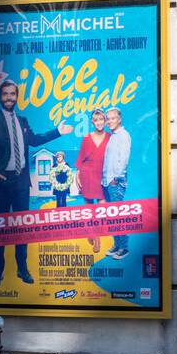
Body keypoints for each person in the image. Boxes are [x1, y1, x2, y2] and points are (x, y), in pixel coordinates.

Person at [0, 80, 72, 286]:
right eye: (5, 94)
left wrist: (58, 132)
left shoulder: (23, 121)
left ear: (17, 97)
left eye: (13, 94)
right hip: (1, 183)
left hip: (20, 183)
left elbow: (34, 140)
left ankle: (22, 269)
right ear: (0, 97)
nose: (9, 97)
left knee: (22, 229)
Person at [75, 108, 110, 253]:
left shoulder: (110, 137)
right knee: (88, 208)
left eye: (101, 119)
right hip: (87, 174)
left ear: (105, 121)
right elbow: (80, 158)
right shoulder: (86, 138)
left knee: (102, 209)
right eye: (96, 120)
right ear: (92, 122)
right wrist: (77, 174)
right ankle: (95, 237)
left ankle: (94, 234)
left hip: (102, 176)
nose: (99, 122)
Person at [101, 107, 132, 259]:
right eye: (108, 119)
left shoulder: (123, 135)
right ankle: (117, 244)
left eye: (112, 118)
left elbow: (124, 160)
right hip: (107, 182)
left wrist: (116, 179)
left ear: (119, 119)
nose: (109, 121)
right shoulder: (113, 136)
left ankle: (124, 248)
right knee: (112, 217)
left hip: (116, 183)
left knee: (118, 216)